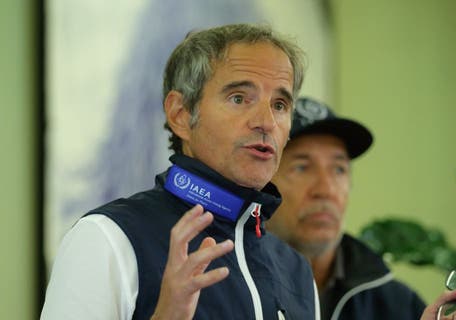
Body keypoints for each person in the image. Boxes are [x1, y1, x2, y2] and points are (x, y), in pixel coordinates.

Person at [41, 24, 320, 319]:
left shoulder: (297, 273)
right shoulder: (107, 237)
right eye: (239, 98)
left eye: (280, 104)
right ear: (181, 114)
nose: (266, 122)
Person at [265, 97, 456, 320]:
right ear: (263, 183)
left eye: (339, 169)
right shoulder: (236, 286)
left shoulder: (397, 304)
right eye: (301, 167)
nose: (326, 189)